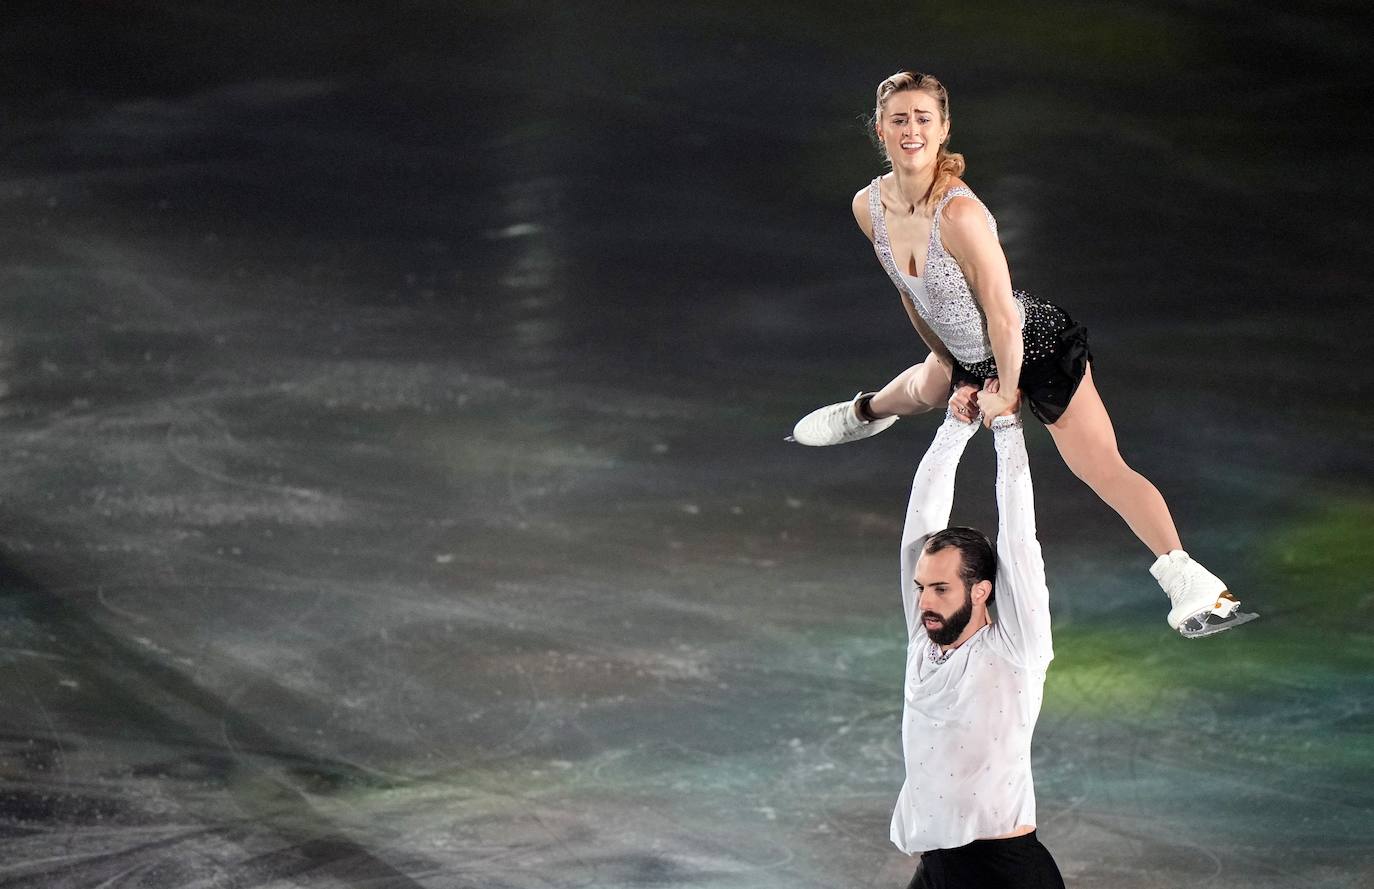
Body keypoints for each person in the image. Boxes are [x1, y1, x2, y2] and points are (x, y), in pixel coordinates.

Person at [788, 71, 1256, 638]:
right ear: (880, 130)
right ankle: (863, 413)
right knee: (925, 388)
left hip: (1029, 345)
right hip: (965, 346)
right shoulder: (869, 206)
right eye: (899, 119)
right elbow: (913, 295)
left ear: (943, 130)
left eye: (923, 119)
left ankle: (1192, 581)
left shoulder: (960, 215)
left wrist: (1005, 394)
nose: (911, 130)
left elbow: (1004, 316)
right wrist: (952, 363)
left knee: (1098, 465)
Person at [892, 392, 1064, 888]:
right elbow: (920, 521)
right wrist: (954, 427)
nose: (924, 599)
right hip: (937, 869)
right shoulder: (923, 641)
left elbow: (1019, 540)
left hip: (1002, 874)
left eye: (941, 588)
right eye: (922, 587)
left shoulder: (1016, 650)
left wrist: (1007, 431)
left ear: (982, 590)